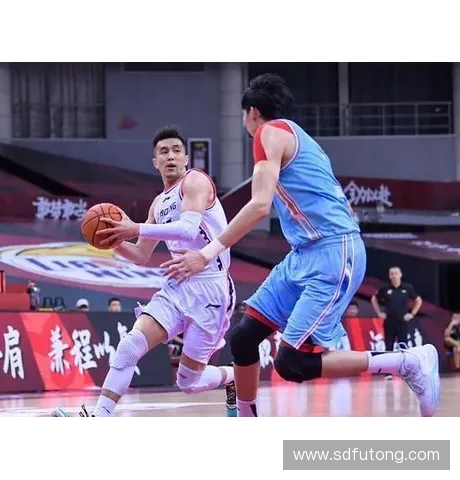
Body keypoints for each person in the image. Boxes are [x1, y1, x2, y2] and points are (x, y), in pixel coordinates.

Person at [161, 74, 440, 418]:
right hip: (304, 254)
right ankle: (247, 421)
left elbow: (259, 205)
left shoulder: (267, 133)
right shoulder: (302, 139)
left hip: (333, 252)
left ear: (251, 113)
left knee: (292, 362)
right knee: (244, 337)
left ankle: (407, 361)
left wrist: (206, 254)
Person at [55, 126, 237, 417]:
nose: (171, 156)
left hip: (212, 288)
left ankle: (231, 376)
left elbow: (189, 230)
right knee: (129, 346)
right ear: (155, 162)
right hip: (178, 286)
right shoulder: (158, 204)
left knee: (188, 382)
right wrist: (113, 241)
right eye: (164, 152)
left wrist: (136, 227)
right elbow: (141, 255)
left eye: (176, 150)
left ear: (186, 158)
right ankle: (99, 417)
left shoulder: (195, 181)